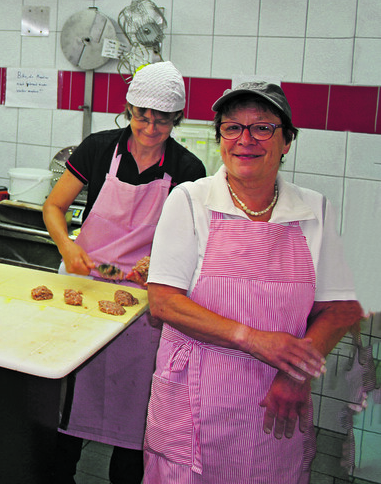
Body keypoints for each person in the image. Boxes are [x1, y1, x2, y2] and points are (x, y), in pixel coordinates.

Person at [143, 81, 362, 483]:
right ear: (220, 139)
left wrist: (296, 374)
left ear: (287, 142)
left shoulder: (315, 210)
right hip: (194, 401)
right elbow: (164, 303)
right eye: (232, 128)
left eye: (263, 128)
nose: (246, 140)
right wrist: (255, 339)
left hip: (275, 402)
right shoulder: (190, 201)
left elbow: (341, 308)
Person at [42, 61, 206, 484]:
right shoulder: (98, 148)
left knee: (133, 419)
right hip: (82, 287)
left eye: (162, 121)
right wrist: (68, 245)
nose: (149, 128)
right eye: (141, 117)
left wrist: (161, 267)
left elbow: (193, 244)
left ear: (177, 120)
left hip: (140, 306)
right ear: (129, 110)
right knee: (67, 407)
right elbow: (53, 207)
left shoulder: (187, 171)